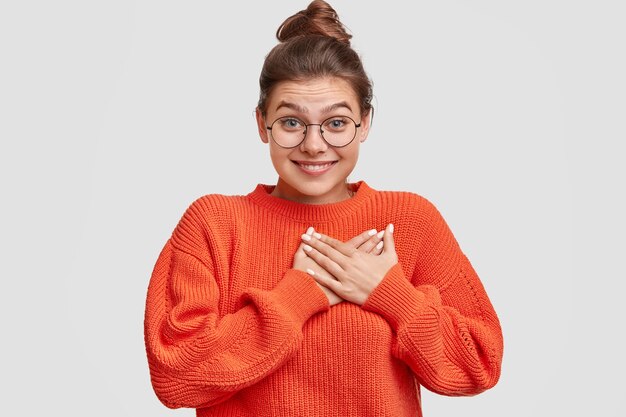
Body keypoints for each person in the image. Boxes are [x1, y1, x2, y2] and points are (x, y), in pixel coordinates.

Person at [143, 1, 504, 416]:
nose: (314, 145)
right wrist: (298, 296)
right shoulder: (214, 224)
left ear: (364, 123)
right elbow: (176, 377)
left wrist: (389, 294)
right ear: (262, 124)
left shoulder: (409, 221)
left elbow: (479, 363)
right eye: (292, 122)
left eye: (336, 123)